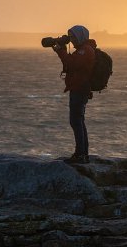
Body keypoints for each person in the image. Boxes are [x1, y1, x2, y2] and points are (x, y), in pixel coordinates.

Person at [53, 25, 96, 164]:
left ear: (81, 36)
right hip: (78, 88)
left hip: (79, 89)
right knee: (79, 121)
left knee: (76, 121)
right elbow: (72, 64)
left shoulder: (85, 51)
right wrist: (62, 51)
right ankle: (83, 153)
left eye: (73, 37)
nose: (71, 40)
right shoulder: (83, 50)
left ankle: (80, 154)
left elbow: (71, 64)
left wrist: (61, 51)